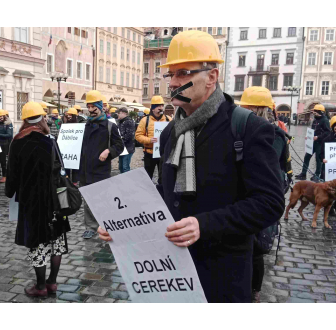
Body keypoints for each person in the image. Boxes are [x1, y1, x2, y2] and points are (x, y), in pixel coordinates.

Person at [98, 30, 285, 303]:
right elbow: (167, 192)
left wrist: (203, 224)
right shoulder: (169, 132)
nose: (174, 83)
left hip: (223, 274)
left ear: (211, 76)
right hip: (172, 272)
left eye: (184, 73)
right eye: (170, 75)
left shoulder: (248, 128)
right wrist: (124, 225)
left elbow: (269, 203)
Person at [5, 101, 71, 297]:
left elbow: (12, 177)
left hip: (31, 202)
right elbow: (61, 168)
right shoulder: (50, 140)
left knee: (37, 242)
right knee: (56, 241)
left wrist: (10, 192)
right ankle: (52, 283)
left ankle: (40, 287)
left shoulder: (17, 142)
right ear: (43, 119)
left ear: (24, 121)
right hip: (54, 200)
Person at [239, 86, 292, 303]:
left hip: (259, 197)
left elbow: (277, 170)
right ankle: (251, 290)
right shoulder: (244, 129)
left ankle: (253, 291)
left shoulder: (273, 135)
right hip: (249, 195)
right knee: (249, 248)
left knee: (256, 248)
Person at [79, 90, 124, 239]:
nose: (91, 110)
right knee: (88, 200)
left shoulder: (110, 126)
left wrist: (108, 152)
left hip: (101, 169)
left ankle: (106, 225)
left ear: (101, 107)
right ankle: (90, 226)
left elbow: (119, 146)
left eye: (94, 107)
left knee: (103, 199)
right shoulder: (85, 125)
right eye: (89, 107)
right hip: (85, 169)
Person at [135, 95, 171, 179]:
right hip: (149, 153)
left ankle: (161, 191)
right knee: (147, 177)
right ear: (153, 108)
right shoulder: (145, 120)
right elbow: (138, 136)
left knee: (163, 178)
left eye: (162, 105)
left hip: (164, 153)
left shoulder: (168, 119)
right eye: (158, 106)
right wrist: (149, 140)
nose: (160, 108)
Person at [295, 104, 330, 182]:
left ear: (320, 112)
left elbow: (328, 132)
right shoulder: (315, 120)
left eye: (315, 111)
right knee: (307, 157)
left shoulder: (325, 120)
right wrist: (309, 136)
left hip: (320, 143)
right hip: (312, 142)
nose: (314, 113)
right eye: (314, 111)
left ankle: (317, 175)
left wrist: (318, 137)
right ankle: (303, 173)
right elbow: (312, 130)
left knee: (318, 159)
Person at [320, 115, 336, 215]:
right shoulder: (327, 139)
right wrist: (323, 159)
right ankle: (329, 206)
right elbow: (320, 153)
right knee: (331, 188)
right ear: (332, 127)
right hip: (329, 168)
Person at [0, 109, 13, 183]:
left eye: (1, 116)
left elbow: (9, 135)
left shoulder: (8, 123)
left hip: (4, 145)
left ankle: (4, 176)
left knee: (3, 161)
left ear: (4, 116)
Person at [62, 108, 80, 184]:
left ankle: (74, 184)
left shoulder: (79, 126)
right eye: (68, 115)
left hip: (76, 151)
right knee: (67, 168)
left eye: (70, 115)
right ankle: (68, 183)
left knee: (75, 168)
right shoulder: (65, 126)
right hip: (67, 150)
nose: (69, 116)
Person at [117, 107, 135, 173]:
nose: (117, 114)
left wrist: (119, 141)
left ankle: (127, 182)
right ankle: (122, 181)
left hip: (128, 148)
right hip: (121, 148)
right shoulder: (120, 122)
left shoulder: (129, 121)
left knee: (125, 167)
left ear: (124, 113)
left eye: (119, 113)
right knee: (121, 167)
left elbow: (129, 135)